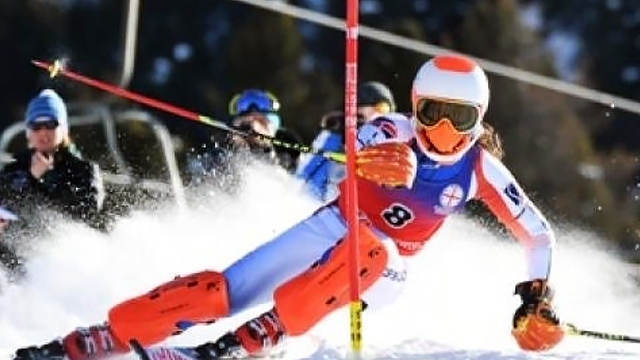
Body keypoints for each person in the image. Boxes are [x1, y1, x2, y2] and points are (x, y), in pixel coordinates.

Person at [13, 54, 564, 360]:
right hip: (332, 224)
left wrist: (535, 297)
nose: (444, 130)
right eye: (434, 113)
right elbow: (362, 141)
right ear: (416, 106)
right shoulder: (394, 130)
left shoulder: (479, 170)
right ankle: (96, 339)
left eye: (460, 118)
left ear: (480, 117)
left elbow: (538, 235)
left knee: (371, 250)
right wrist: (370, 158)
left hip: (384, 269)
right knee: (220, 291)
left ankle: (250, 341)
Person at [0, 89, 105, 232]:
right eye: (35, 126)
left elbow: (86, 215)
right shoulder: (12, 171)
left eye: (50, 124)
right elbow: (10, 208)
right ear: (28, 134)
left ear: (63, 130)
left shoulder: (84, 171)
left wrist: (39, 180)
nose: (43, 132)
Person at [296, 81, 396, 201]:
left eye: (383, 109)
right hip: (321, 203)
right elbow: (305, 172)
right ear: (357, 110)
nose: (380, 117)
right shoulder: (336, 136)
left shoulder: (393, 141)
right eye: (380, 108)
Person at [185, 89, 302, 191]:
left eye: (261, 122)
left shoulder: (287, 143)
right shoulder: (222, 155)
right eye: (245, 125)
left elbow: (300, 170)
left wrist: (263, 145)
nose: (253, 129)